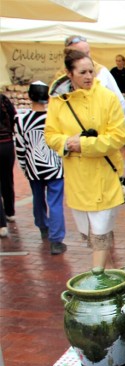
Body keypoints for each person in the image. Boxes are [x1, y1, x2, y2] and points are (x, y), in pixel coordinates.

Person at [45, 50, 125, 268]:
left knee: (101, 232)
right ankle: (109, 274)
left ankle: (98, 277)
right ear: (69, 74)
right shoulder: (58, 101)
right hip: (78, 179)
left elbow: (118, 137)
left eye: (91, 71)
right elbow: (50, 135)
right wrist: (66, 142)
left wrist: (84, 144)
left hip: (104, 176)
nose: (89, 76)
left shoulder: (107, 98)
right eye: (82, 72)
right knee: (93, 235)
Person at [14, 81, 67, 254]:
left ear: (30, 96)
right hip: (54, 167)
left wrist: (24, 166)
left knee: (38, 199)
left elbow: (20, 147)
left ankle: (43, 226)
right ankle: (56, 240)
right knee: (55, 202)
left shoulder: (21, 120)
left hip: (33, 167)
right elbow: (62, 144)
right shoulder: (55, 119)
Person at [61, 35, 125, 114]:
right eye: (81, 54)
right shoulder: (60, 79)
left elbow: (120, 102)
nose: (87, 57)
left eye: (88, 52)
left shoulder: (101, 71)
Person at [0, 93, 17, 237]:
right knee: (7, 179)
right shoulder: (4, 99)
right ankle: (10, 212)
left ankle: (1, 225)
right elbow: (14, 118)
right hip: (7, 145)